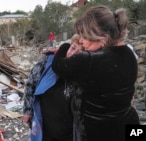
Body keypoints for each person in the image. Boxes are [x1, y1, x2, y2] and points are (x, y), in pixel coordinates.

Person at [51, 5, 140, 141]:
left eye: (85, 36)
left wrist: (64, 47)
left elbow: (58, 66)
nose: (80, 41)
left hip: (100, 132)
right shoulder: (129, 53)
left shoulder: (89, 59)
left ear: (103, 37)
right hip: (132, 125)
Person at [23, 34, 82, 141]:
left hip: (68, 130)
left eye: (79, 53)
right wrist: (27, 111)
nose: (72, 54)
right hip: (45, 125)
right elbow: (31, 84)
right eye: (73, 48)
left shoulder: (83, 72)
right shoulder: (48, 60)